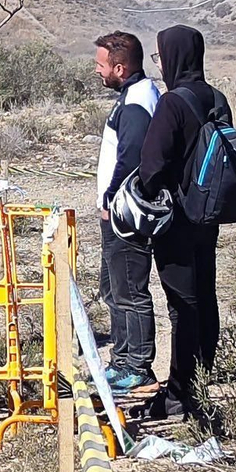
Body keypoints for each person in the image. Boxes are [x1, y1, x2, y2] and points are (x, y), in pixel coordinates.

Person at [138, 25, 232, 420]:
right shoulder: (217, 97)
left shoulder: (172, 102)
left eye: (160, 58)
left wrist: (144, 194)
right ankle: (199, 381)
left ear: (173, 57)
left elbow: (152, 165)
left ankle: (179, 393)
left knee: (182, 305)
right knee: (204, 296)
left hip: (176, 218)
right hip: (208, 214)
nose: (160, 66)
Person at [93, 31, 161, 393]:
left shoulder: (136, 101)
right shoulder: (133, 96)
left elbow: (131, 157)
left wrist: (109, 199)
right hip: (119, 211)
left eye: (101, 65)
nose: (97, 71)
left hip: (124, 214)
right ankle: (121, 362)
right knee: (114, 288)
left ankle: (137, 366)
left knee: (130, 290)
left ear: (119, 68)